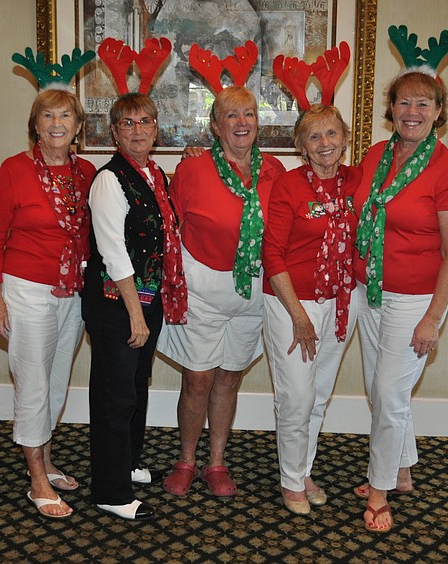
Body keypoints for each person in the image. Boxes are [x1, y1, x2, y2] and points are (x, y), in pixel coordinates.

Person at [352, 70, 448, 533]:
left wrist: (432, 319)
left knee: (388, 392)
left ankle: (380, 491)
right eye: (404, 102)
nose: (413, 112)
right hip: (368, 292)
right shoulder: (376, 155)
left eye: (424, 104)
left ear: (439, 113)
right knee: (385, 391)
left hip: (413, 300)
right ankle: (401, 470)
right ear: (391, 109)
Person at [159, 85, 287, 497]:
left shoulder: (276, 173)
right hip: (203, 288)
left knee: (230, 377)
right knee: (198, 377)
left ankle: (216, 463)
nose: (241, 122)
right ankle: (186, 459)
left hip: (254, 290)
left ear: (258, 122)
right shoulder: (193, 171)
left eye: (249, 113)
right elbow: (170, 229)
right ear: (215, 125)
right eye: (231, 115)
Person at [0, 88, 96, 519]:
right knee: (32, 383)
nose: (56, 123)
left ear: (79, 127)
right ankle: (36, 479)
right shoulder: (14, 170)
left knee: (57, 380)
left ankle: (45, 457)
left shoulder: (85, 171)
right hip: (26, 290)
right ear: (35, 124)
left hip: (73, 291)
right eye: (47, 116)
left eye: (65, 116)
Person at [83, 92, 186, 520]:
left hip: (146, 297)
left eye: (145, 121)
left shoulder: (154, 173)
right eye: (128, 123)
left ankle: (125, 463)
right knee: (114, 393)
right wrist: (135, 314)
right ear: (114, 131)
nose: (138, 129)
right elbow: (114, 253)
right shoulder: (109, 179)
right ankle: (110, 490)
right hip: (117, 303)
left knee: (135, 384)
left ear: (156, 127)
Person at [261, 105, 361, 515]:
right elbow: (272, 253)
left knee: (318, 395)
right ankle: (290, 482)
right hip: (291, 304)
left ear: (345, 138)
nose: (325, 144)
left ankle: (303, 470)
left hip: (340, 302)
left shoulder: (356, 181)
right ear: (301, 146)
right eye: (314, 137)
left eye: (332, 134)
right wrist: (299, 316)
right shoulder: (288, 185)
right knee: (297, 395)